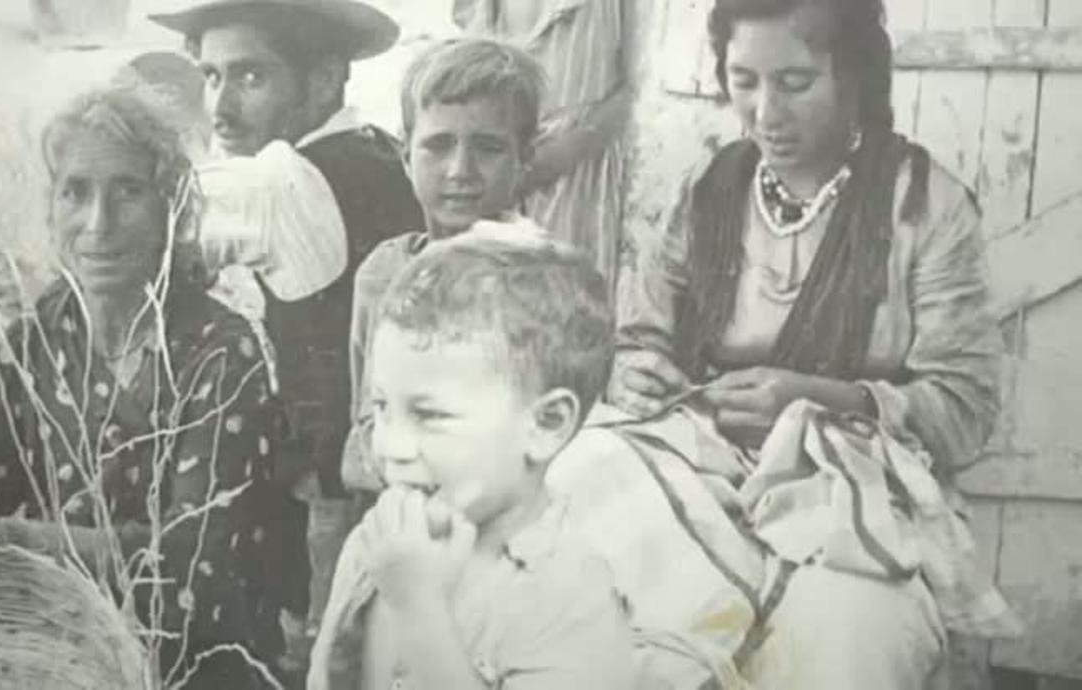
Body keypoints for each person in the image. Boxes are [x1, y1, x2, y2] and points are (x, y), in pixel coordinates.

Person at [610, 0, 1012, 686]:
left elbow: (964, 411)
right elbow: (641, 340)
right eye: (743, 81)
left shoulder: (925, 207)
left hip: (861, 501)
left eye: (795, 83)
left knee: (840, 636)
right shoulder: (706, 191)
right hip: (705, 475)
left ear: (855, 75)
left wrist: (818, 402)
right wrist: (638, 372)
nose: (765, 112)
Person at [0, 86, 310, 689]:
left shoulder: (220, 351)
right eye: (75, 192)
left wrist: (23, 538)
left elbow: (196, 563)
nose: (98, 223)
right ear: (53, 208)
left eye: (128, 191)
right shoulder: (33, 344)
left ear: (171, 209)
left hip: (200, 667)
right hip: (63, 657)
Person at [147, 0, 424, 634]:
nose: (220, 107)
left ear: (323, 79)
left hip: (336, 497)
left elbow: (144, 241)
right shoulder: (381, 151)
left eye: (250, 77)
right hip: (399, 474)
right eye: (211, 77)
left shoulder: (280, 182)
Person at [308, 229, 634, 690]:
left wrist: (419, 607)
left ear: (546, 424)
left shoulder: (572, 599)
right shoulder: (374, 542)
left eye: (430, 415)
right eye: (381, 406)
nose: (390, 446)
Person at [341, 38, 544, 494]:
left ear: (525, 159)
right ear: (405, 157)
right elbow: (367, 429)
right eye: (438, 145)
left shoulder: (546, 284)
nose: (460, 169)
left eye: (488, 147)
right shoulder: (384, 273)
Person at [454, 0, 634, 298]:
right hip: (493, 187)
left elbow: (639, 88)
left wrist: (558, 153)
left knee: (566, 305)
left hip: (578, 187)